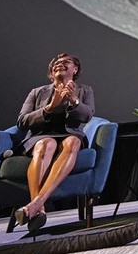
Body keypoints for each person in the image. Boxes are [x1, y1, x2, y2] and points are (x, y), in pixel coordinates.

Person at [13, 53, 95, 231]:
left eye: (66, 62)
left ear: (75, 69)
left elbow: (88, 115)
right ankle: (38, 207)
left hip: (70, 135)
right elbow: (22, 121)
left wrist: (74, 100)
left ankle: (35, 205)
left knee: (73, 141)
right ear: (51, 70)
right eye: (56, 63)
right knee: (46, 144)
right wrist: (50, 107)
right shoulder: (37, 92)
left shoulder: (85, 90)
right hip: (40, 137)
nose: (60, 64)